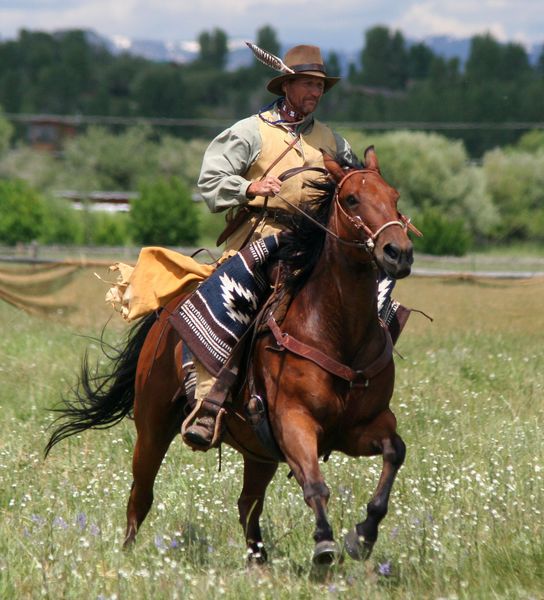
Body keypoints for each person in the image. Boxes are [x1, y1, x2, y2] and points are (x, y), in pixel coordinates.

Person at [182, 44, 381, 451]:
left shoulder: (331, 140)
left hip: (318, 249)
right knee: (233, 309)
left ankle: (365, 399)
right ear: (287, 85)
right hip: (261, 243)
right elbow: (211, 180)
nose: (315, 92)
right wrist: (249, 187)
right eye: (308, 84)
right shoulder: (249, 131)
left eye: (320, 86)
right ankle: (208, 402)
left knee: (377, 300)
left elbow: (357, 184)